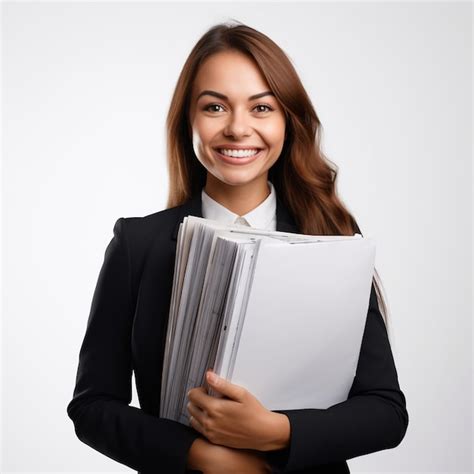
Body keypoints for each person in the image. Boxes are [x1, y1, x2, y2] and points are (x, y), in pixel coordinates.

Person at [66, 21, 409, 474]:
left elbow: (386, 412)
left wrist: (274, 432)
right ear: (189, 120)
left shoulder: (333, 242)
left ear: (288, 120)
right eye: (215, 107)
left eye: (262, 107)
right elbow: (92, 407)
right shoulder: (139, 244)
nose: (238, 128)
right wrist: (203, 457)